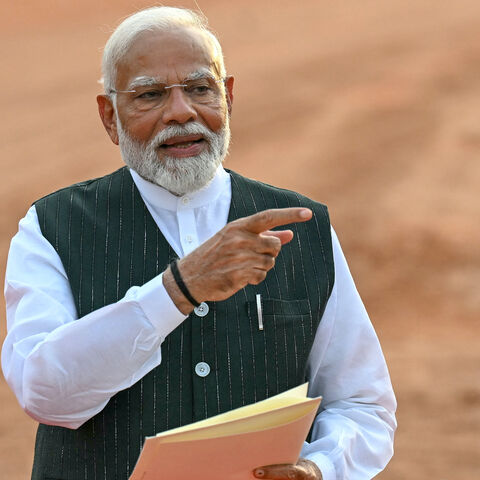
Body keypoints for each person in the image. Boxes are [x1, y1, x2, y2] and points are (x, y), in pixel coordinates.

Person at [1, 6, 396, 480]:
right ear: (109, 117)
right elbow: (46, 395)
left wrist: (320, 468)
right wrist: (176, 290)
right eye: (149, 95)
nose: (182, 112)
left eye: (199, 88)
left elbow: (361, 403)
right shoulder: (52, 227)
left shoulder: (304, 228)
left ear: (227, 96)